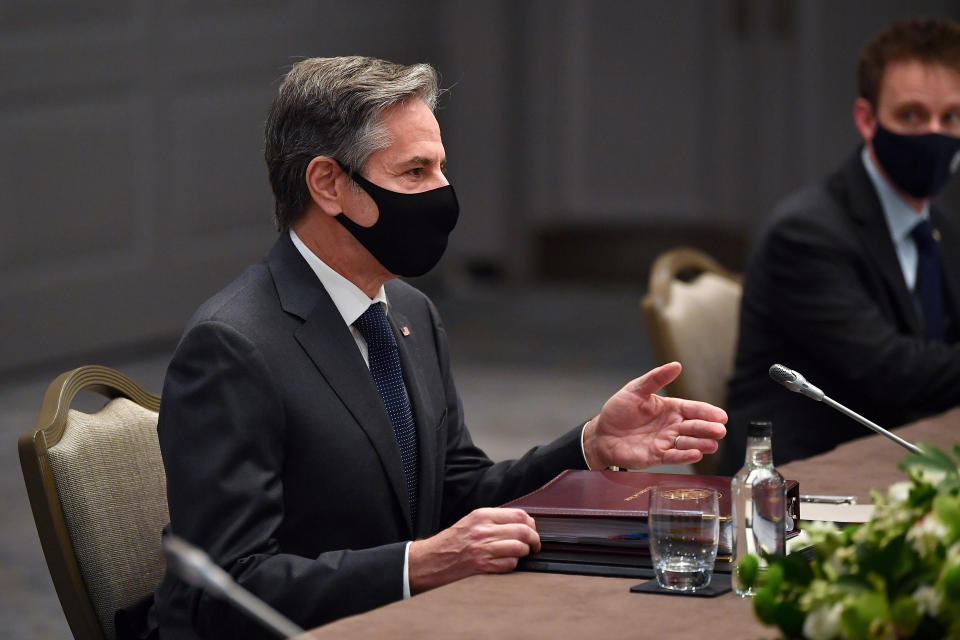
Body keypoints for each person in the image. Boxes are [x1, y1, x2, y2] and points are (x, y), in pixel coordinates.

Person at [149, 56, 727, 639]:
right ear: (328, 185)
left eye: (441, 167)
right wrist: (416, 565)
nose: (443, 193)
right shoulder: (232, 346)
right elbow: (225, 591)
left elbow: (454, 494)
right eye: (415, 172)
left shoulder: (407, 312)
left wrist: (589, 445)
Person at [720, 17, 960, 475]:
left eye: (950, 118)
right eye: (911, 115)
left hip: (903, 458)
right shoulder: (807, 234)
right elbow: (893, 374)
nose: (934, 133)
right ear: (867, 119)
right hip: (804, 486)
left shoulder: (943, 228)